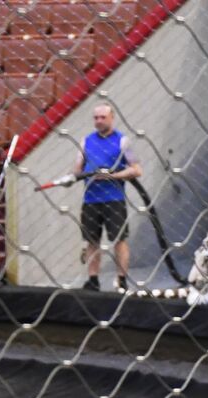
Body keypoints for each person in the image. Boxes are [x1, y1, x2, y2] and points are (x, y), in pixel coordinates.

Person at [73, 103, 142, 293]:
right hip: (90, 200)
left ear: (112, 117)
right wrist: (86, 174)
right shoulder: (85, 141)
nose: (99, 121)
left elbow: (136, 170)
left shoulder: (123, 141)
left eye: (102, 117)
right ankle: (93, 280)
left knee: (119, 240)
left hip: (114, 199)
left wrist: (113, 175)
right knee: (92, 241)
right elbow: (77, 170)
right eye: (96, 118)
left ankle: (121, 279)